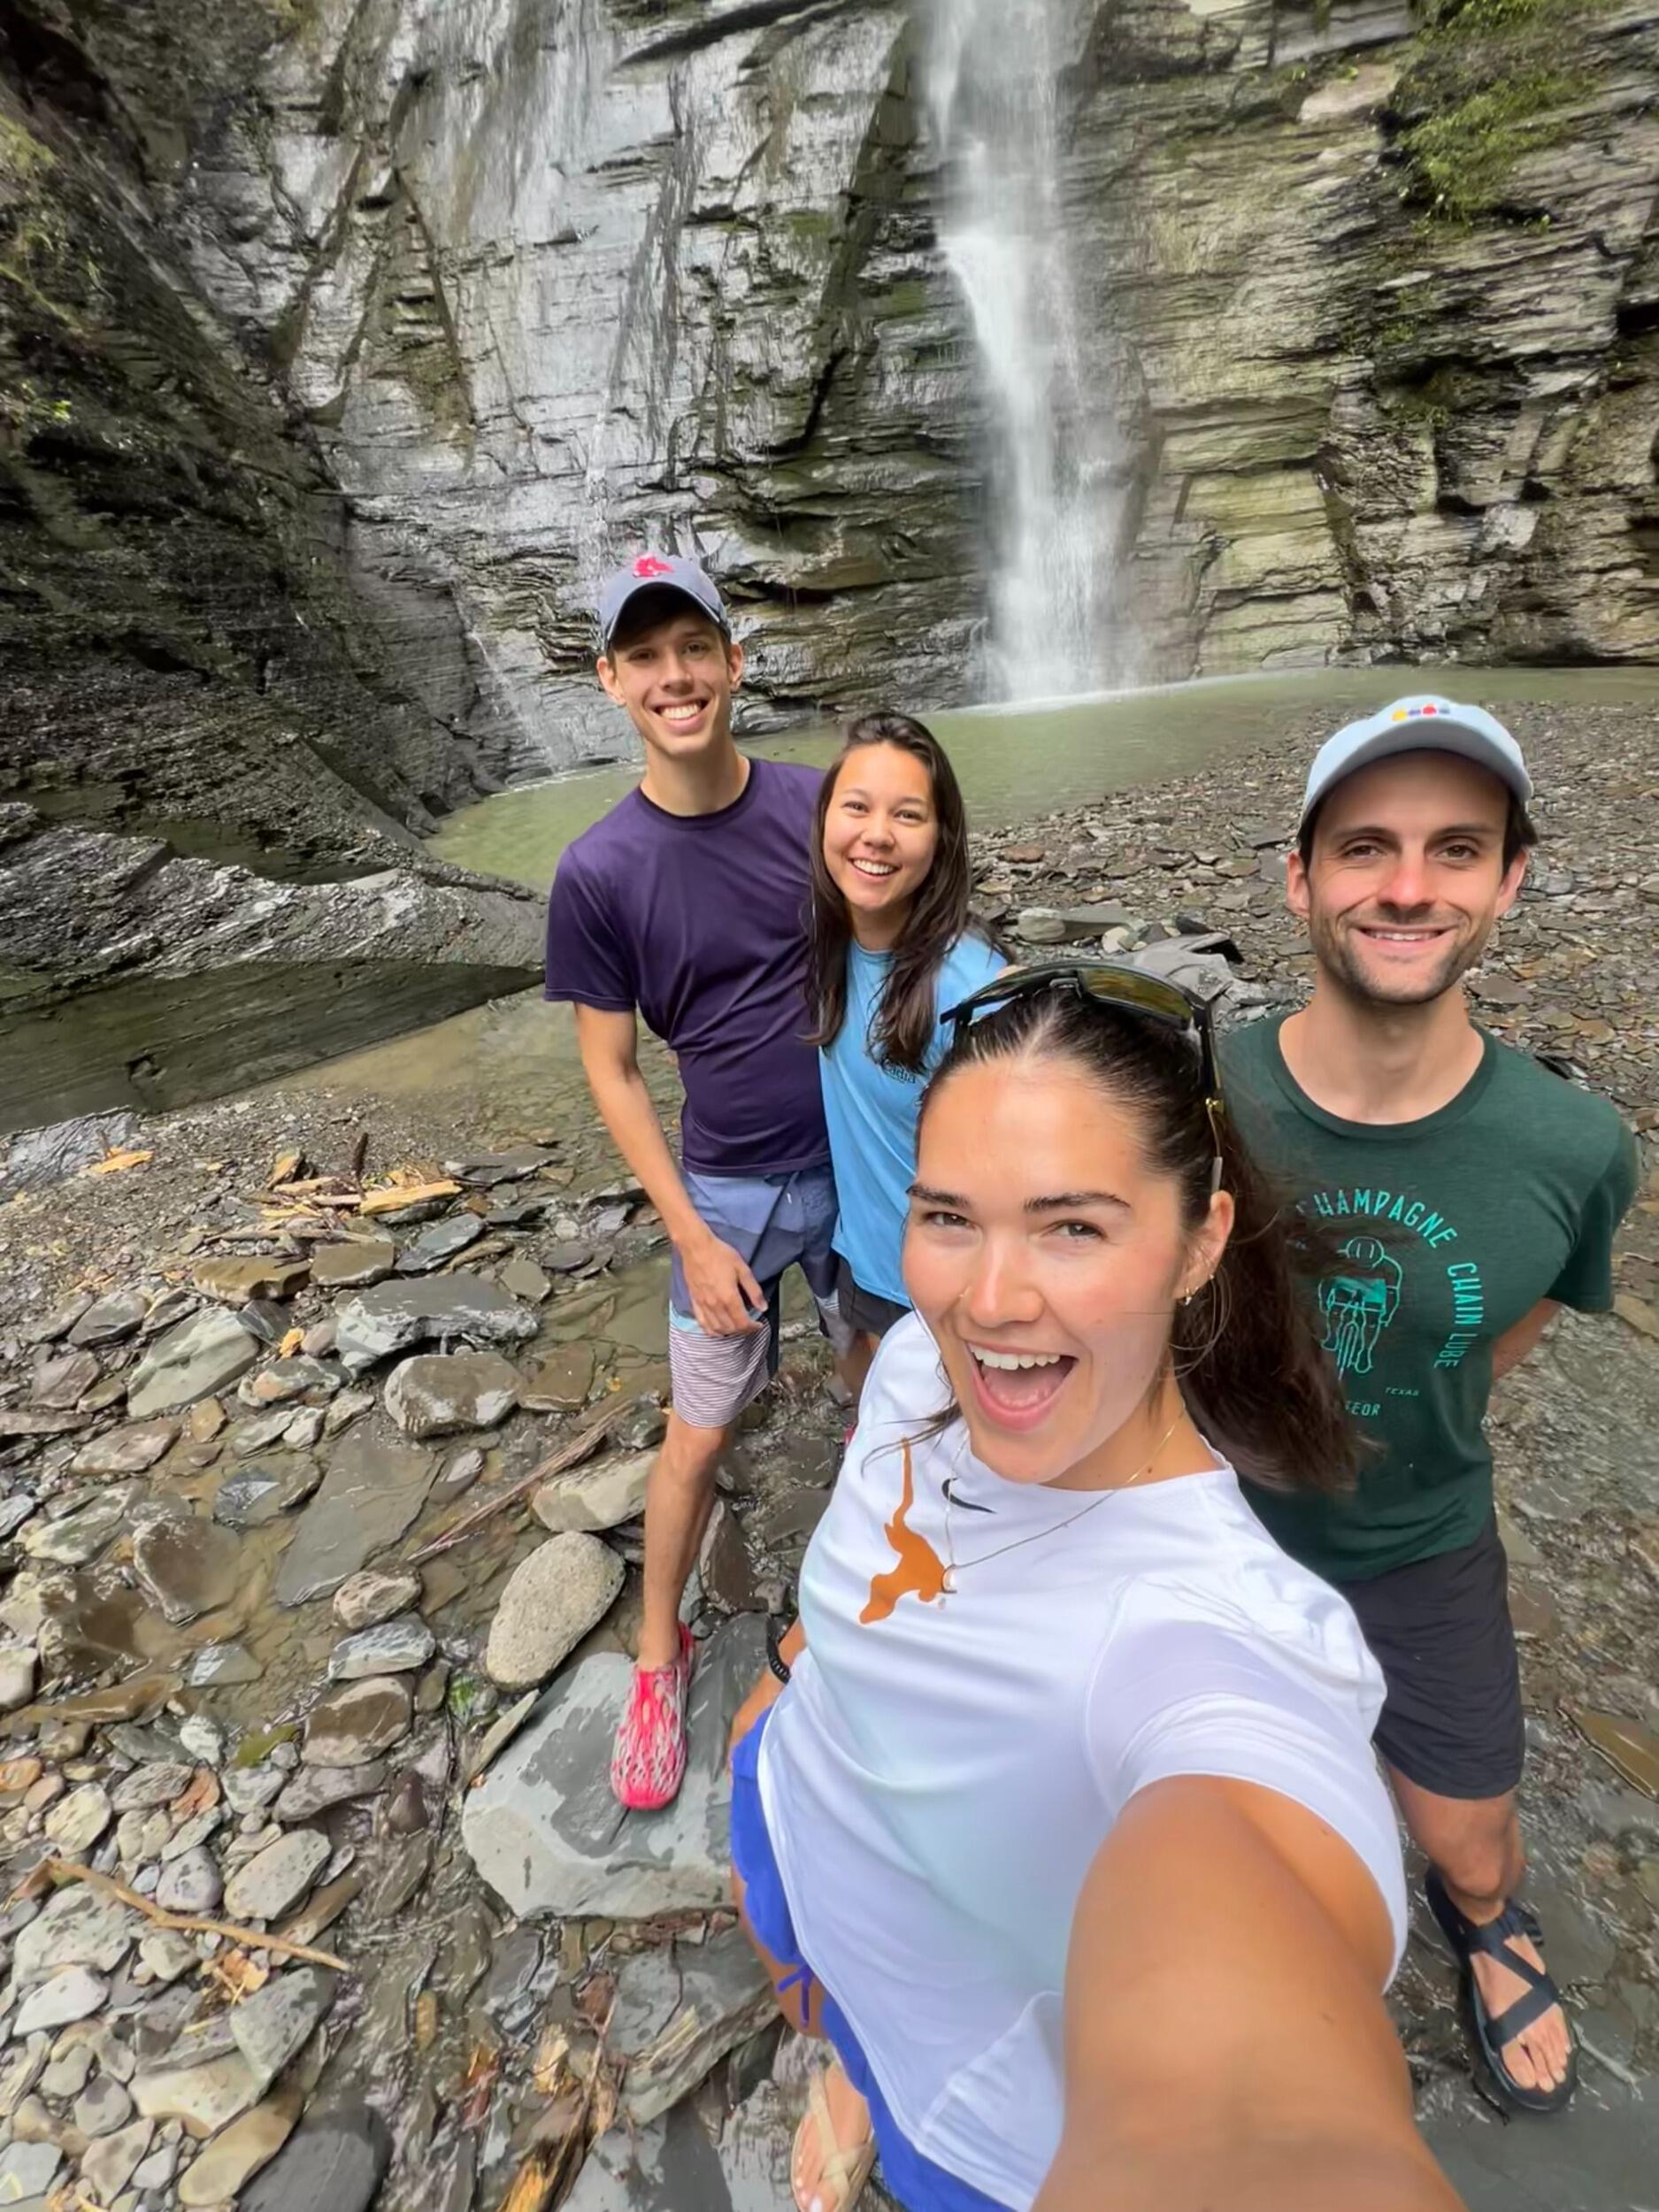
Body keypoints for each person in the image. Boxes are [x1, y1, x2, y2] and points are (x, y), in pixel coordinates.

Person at [727, 964, 1459, 2212]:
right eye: (948, 1217)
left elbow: (1246, 2096)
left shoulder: (1210, 1645)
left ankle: (867, 2083)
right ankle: (840, 2062)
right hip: (791, 1809)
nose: (989, 1298)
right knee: (829, 2007)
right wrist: (786, 1680)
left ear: (1198, 1242)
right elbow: (883, 1546)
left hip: (972, 2117)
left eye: (1072, 1226)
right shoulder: (919, 1357)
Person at [1220, 695, 1640, 2116]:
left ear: (1507, 881)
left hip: (1419, 1541)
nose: (1406, 886)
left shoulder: (1573, 1147)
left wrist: (1400, 1400)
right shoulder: (1197, 1093)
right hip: (1205, 1535)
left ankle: (1484, 1928)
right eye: (1364, 849)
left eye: (1453, 850)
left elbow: (1512, 1321)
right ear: (1299, 877)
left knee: (1466, 1844)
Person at [544, 552, 854, 1812]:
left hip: (855, 1169)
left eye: (696, 650)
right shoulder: (597, 872)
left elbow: (903, 955)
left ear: (733, 662)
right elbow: (612, 1071)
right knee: (699, 1430)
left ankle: (897, 1592)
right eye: (647, 656)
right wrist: (690, 1235)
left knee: (885, 1383)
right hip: (721, 1193)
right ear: (611, 680)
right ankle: (657, 1657)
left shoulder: (820, 805)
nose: (676, 677)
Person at [809, 712, 1002, 1386]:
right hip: (863, 1261)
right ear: (825, 821)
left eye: (908, 815)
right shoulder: (831, 942)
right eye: (856, 807)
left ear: (941, 840)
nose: (876, 835)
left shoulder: (974, 989)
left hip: (948, 1296)